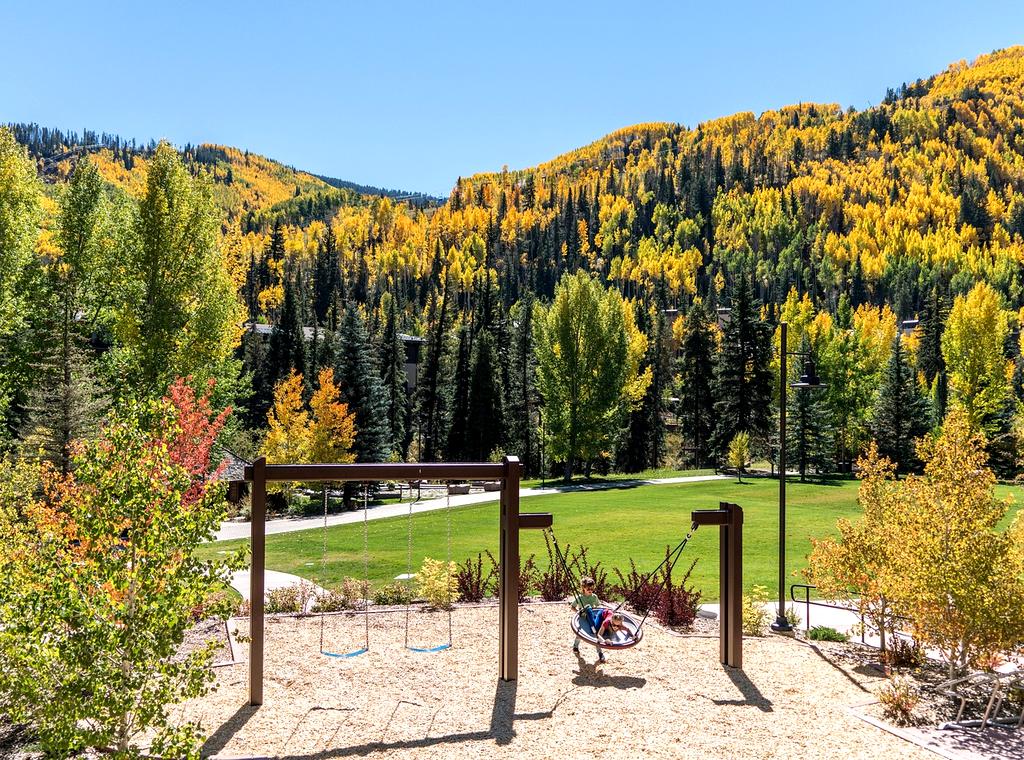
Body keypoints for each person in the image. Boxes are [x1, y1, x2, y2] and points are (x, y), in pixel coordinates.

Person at [570, 577, 606, 663]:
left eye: (592, 588)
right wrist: (578, 612)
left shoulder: (594, 597)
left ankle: (600, 653)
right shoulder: (580, 598)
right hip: (583, 618)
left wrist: (597, 611)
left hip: (592, 618)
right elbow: (572, 607)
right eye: (588, 588)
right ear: (583, 588)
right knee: (580, 633)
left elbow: (598, 606)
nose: (590, 590)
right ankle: (575, 646)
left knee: (596, 634)